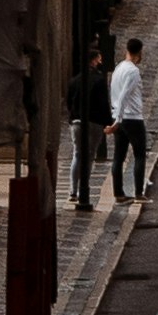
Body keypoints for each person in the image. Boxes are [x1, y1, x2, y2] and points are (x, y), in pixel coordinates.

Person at [107, 36, 149, 205]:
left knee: (118, 156)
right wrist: (119, 118)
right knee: (139, 154)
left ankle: (119, 193)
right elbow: (124, 94)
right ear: (139, 53)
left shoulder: (118, 68)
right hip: (131, 118)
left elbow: (113, 91)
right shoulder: (132, 71)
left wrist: (115, 115)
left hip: (119, 115)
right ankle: (139, 192)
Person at [67, 47, 108, 213]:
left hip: (76, 121)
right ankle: (84, 187)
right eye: (99, 58)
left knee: (77, 153)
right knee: (89, 155)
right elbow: (103, 103)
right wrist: (108, 122)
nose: (100, 61)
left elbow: (69, 103)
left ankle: (72, 190)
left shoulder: (74, 80)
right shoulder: (99, 80)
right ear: (93, 60)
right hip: (94, 122)